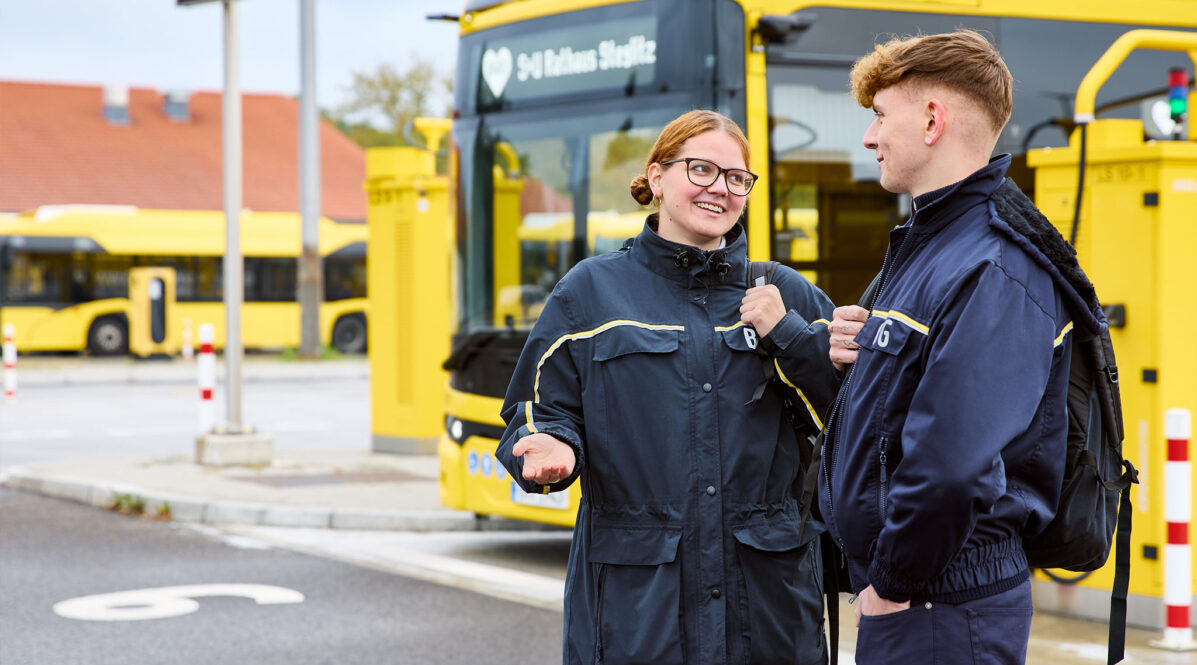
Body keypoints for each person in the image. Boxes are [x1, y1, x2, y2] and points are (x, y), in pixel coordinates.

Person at [497, 109, 839, 665]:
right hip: (638, 608)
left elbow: (851, 418)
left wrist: (791, 337)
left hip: (770, 604)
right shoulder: (591, 291)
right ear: (657, 177)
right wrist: (551, 444)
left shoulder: (785, 293)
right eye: (700, 169)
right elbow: (538, 407)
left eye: (736, 178)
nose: (720, 189)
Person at [822, 30, 1095, 664]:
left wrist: (891, 584)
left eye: (880, 116)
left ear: (933, 119)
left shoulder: (992, 262)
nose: (869, 137)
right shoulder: (937, 243)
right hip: (923, 599)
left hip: (938, 607)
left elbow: (952, 463)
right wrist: (861, 357)